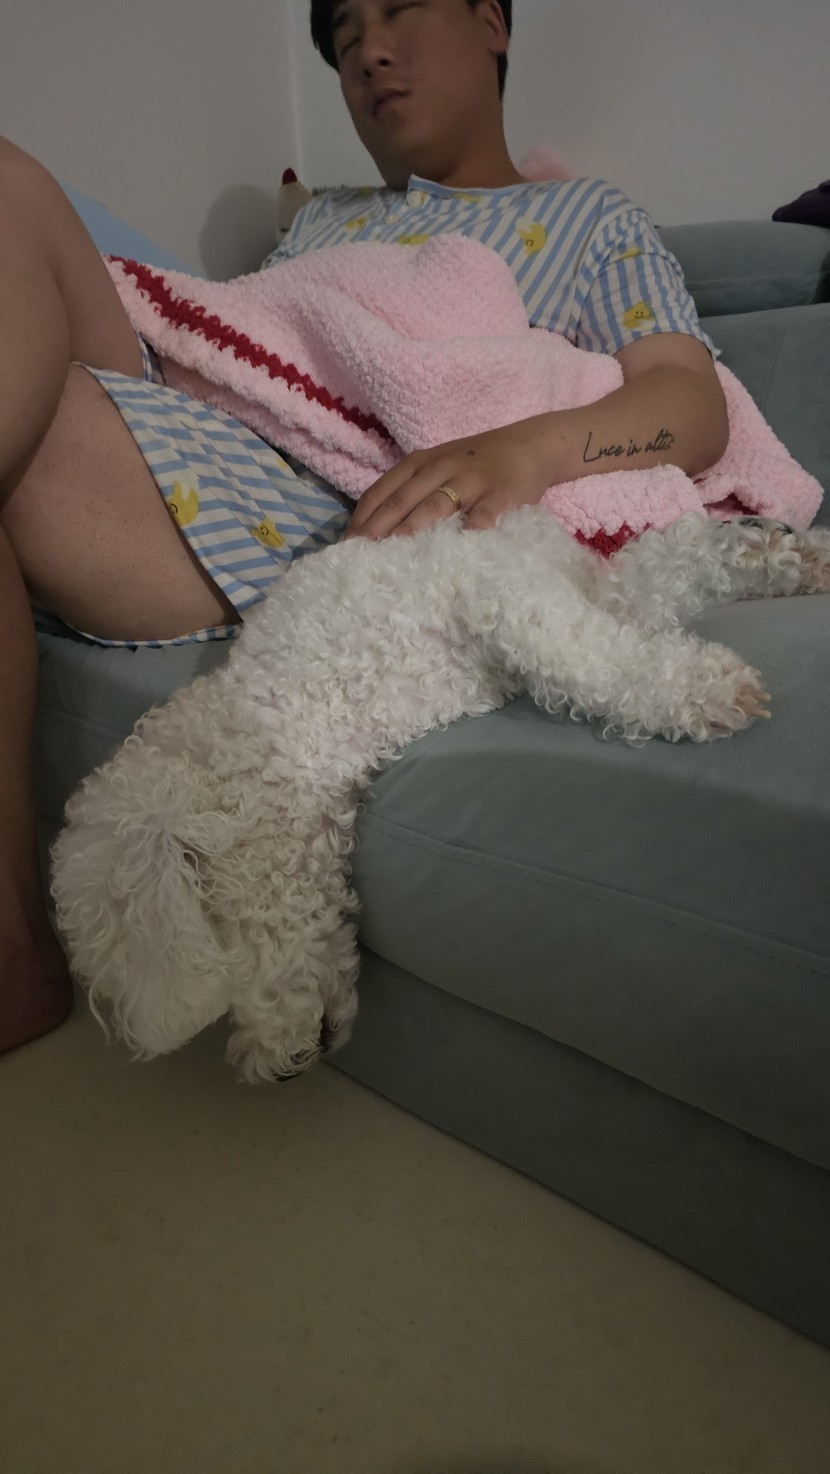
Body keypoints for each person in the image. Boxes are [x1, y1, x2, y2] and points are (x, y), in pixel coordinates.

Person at [0, 0, 729, 1053]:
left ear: (492, 23)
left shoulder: (586, 218)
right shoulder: (318, 223)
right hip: (199, 410)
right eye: (345, 42)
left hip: (323, 498)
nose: (370, 55)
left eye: (398, 13)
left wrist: (519, 451)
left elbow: (690, 405)